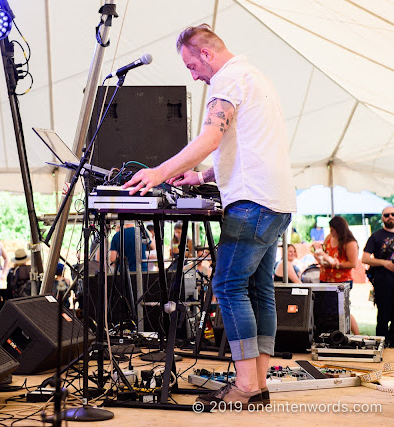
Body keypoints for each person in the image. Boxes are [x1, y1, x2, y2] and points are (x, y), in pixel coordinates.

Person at [123, 24, 295, 408]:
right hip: (278, 201)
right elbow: (245, 146)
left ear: (205, 54)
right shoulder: (256, 78)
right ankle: (258, 384)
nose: (193, 75)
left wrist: (158, 173)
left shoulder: (228, 80)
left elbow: (211, 138)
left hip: (252, 202)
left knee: (228, 287)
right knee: (259, 291)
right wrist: (201, 176)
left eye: (190, 65)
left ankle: (245, 386)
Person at [313, 217, 360, 335]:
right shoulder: (329, 238)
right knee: (322, 309)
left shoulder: (350, 242)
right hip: (324, 278)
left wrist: (336, 265)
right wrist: (319, 256)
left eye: (333, 230)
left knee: (340, 309)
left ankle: (352, 334)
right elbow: (324, 252)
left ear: (339, 229)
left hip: (341, 281)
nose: (331, 232)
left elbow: (353, 263)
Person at [362, 206, 394, 347]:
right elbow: (364, 258)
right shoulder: (376, 236)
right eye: (386, 215)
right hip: (383, 281)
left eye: (393, 214)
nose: (390, 217)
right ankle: (381, 345)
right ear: (382, 218)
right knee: (383, 315)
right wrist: (383, 263)